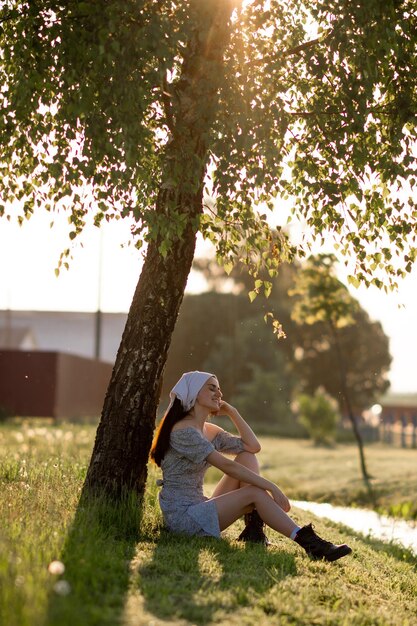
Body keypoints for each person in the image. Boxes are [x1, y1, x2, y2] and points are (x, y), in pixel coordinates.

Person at [150, 371, 352, 562]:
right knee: (254, 493)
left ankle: (254, 530)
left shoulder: (208, 430)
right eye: (212, 388)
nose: (219, 393)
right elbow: (227, 467)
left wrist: (232, 412)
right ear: (194, 393)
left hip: (199, 506)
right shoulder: (184, 431)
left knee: (246, 456)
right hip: (183, 518)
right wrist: (272, 487)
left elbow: (252, 447)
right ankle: (310, 544)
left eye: (219, 389)